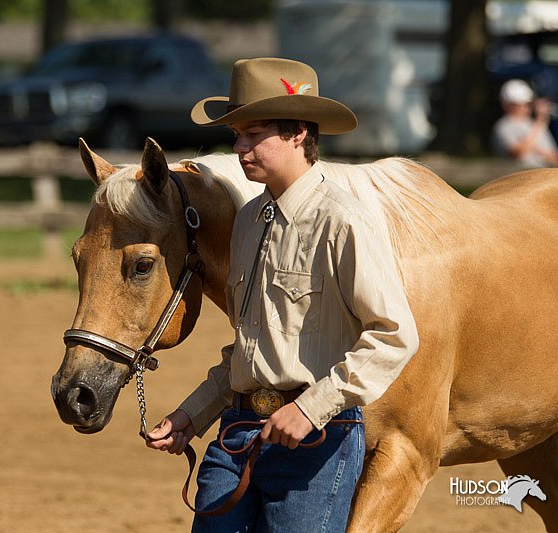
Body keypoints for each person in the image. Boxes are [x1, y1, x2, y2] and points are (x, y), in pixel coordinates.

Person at [145, 58, 420, 532]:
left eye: (253, 134)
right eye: (237, 136)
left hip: (318, 442)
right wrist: (192, 414)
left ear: (298, 134)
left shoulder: (343, 220)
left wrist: (310, 408)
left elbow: (395, 335)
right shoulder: (249, 221)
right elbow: (251, 349)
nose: (240, 148)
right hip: (237, 434)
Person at [491, 78, 558, 167]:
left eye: (527, 104)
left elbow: (557, 159)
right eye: (518, 104)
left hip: (544, 175)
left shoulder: (536, 125)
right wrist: (540, 123)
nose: (525, 108)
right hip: (517, 178)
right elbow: (518, 153)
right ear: (506, 105)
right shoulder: (503, 127)